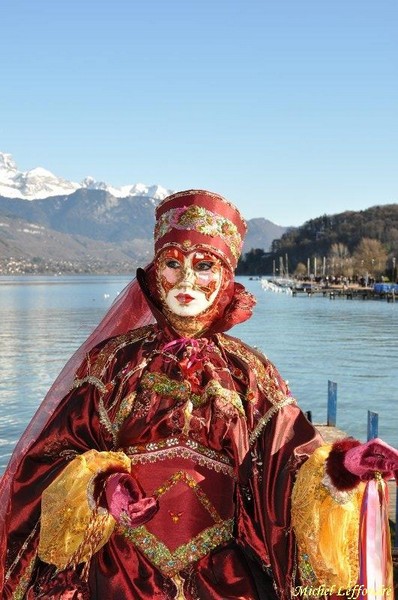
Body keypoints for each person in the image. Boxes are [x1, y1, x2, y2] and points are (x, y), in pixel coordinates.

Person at [0, 190, 397, 600]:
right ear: (157, 269)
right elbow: (51, 457)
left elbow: (286, 464)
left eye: (203, 265)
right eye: (174, 264)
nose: (187, 281)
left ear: (225, 275)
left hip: (222, 579)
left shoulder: (250, 372)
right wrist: (103, 486)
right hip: (119, 573)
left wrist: (345, 465)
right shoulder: (113, 365)